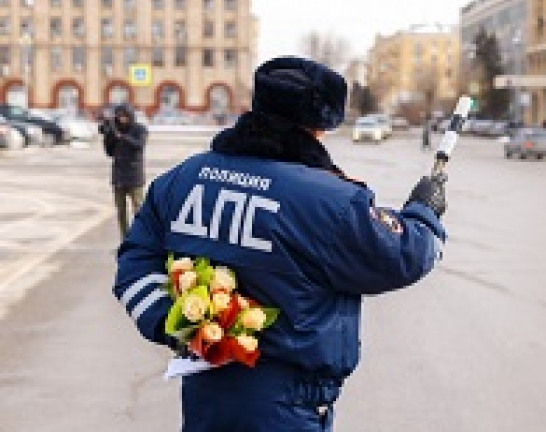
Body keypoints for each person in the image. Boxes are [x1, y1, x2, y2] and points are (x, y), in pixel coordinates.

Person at [112, 56, 447, 431]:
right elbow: (402, 255)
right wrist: (425, 212)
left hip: (204, 393)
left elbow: (135, 261)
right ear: (319, 126)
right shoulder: (329, 201)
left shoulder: (183, 180)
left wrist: (178, 326)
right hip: (289, 406)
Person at [101, 103, 148, 239]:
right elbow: (109, 152)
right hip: (118, 177)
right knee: (121, 211)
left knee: (138, 210)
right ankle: (125, 238)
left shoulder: (139, 129)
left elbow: (139, 145)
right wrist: (108, 136)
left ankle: (142, 238)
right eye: (119, 116)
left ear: (130, 116)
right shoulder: (116, 130)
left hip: (134, 177)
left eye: (124, 116)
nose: (122, 119)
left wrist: (123, 137)